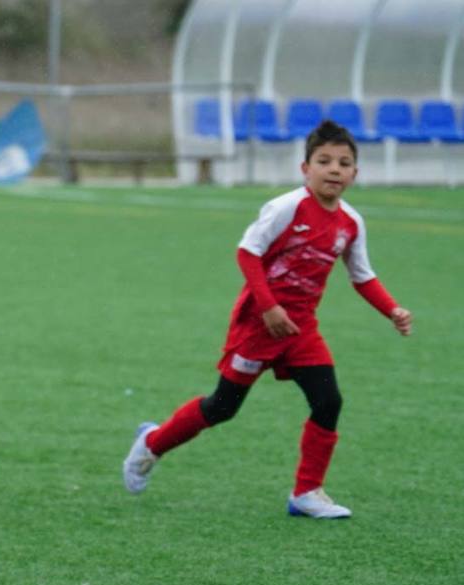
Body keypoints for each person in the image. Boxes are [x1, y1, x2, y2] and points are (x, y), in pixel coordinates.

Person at [122, 120, 413, 518]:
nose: (334, 169)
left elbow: (361, 276)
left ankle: (306, 493)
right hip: (258, 325)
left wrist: (392, 309)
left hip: (301, 329)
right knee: (223, 406)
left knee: (328, 401)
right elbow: (248, 252)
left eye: (344, 163)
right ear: (305, 168)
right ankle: (152, 444)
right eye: (324, 161)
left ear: (355, 173)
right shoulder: (286, 207)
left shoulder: (351, 222)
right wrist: (269, 306)